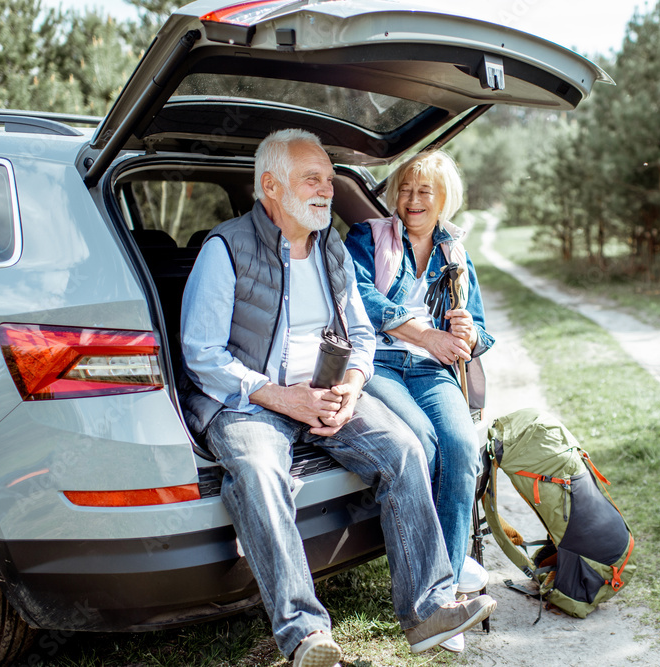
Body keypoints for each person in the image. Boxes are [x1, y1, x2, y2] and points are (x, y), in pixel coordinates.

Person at [179, 130, 495, 666]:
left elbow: (362, 335)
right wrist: (282, 398)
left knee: (404, 449)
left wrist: (351, 385)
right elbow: (202, 356)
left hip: (327, 390)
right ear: (272, 185)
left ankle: (429, 609)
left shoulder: (330, 248)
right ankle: (306, 635)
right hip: (247, 400)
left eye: (329, 178)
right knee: (260, 474)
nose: (327, 189)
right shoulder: (225, 248)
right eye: (314, 179)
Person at [344, 151, 494, 652]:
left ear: (443, 199)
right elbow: (362, 298)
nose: (412, 200)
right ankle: (431, 586)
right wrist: (426, 335)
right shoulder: (367, 237)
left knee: (460, 447)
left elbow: (479, 327)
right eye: (406, 189)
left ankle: (446, 588)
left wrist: (469, 335)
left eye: (424, 191)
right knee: (424, 442)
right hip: (382, 362)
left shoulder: (455, 253)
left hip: (432, 371)